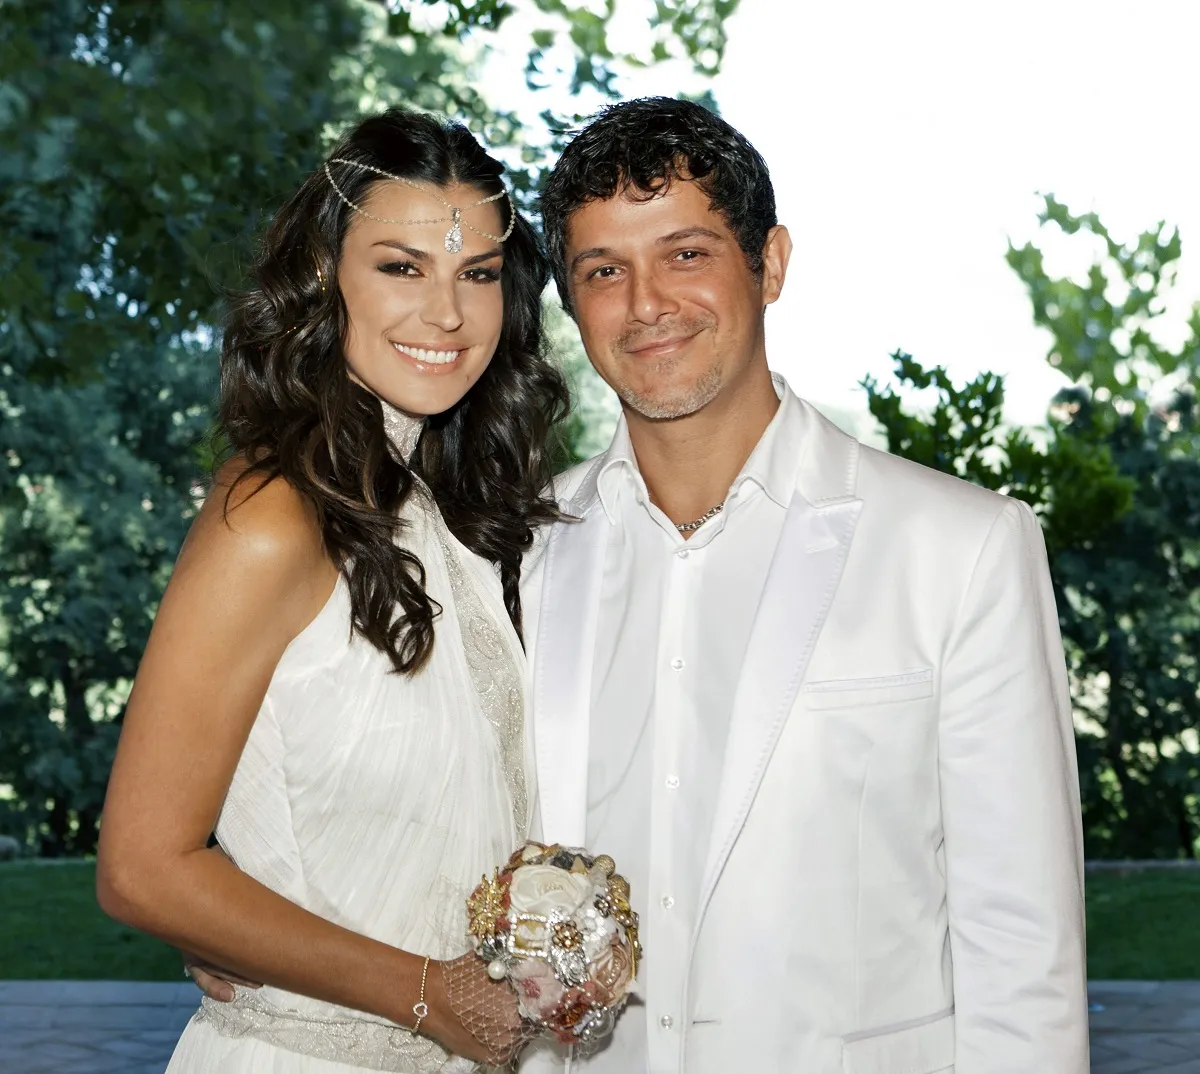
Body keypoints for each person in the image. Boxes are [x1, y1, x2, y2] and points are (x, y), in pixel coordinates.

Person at [515, 97, 1090, 1072]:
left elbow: (1022, 948)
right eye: (604, 271)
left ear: (770, 263)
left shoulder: (962, 548)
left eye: (686, 254)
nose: (646, 302)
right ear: (574, 305)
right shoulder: (519, 553)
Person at [96, 107, 570, 1073]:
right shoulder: (272, 513)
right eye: (402, 267)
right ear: (325, 277)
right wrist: (427, 996)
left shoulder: (458, 517)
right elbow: (142, 868)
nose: (447, 313)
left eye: (476, 274)